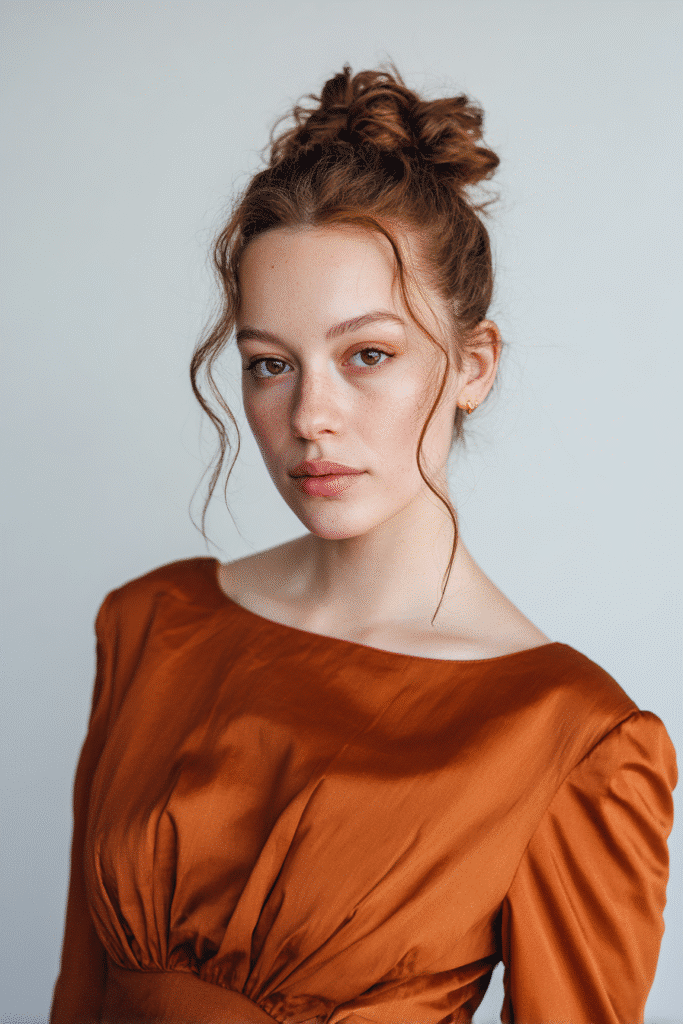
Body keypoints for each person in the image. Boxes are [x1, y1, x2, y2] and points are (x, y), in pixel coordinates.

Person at [50, 64, 676, 1024]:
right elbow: (79, 992)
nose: (310, 416)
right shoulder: (151, 625)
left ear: (472, 367)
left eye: (367, 355)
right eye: (270, 365)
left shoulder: (570, 738)